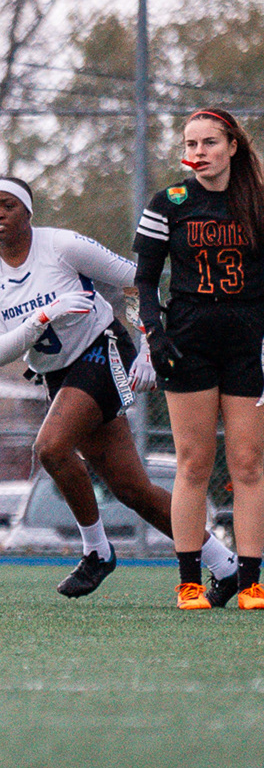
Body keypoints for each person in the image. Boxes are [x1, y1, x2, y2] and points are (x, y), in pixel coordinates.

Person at [0, 176, 233, 599]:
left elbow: (139, 279)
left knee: (50, 447)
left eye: (7, 205)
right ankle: (225, 564)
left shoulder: (62, 246)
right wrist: (44, 316)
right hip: (57, 373)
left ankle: (96, 551)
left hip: (102, 350)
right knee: (132, 489)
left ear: (28, 211)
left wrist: (149, 345)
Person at [136, 108, 264, 610]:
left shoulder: (257, 200)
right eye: (191, 143)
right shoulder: (169, 202)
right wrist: (154, 333)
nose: (199, 152)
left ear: (232, 146)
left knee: (248, 463)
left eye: (209, 142)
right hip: (189, 342)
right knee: (193, 463)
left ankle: (251, 582)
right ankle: (189, 581)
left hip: (247, 344)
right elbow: (145, 279)